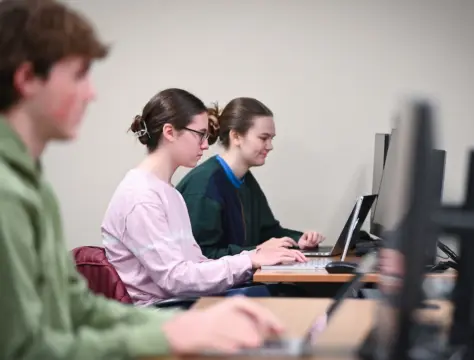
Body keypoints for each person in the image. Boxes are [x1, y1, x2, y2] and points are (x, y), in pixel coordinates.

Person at [0, 1, 287, 358]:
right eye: (78, 75)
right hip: (165, 304)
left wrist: (181, 328)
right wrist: (171, 334)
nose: (92, 93)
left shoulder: (34, 186)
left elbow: (81, 309)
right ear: (27, 79)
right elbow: (28, 348)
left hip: (171, 309)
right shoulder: (10, 193)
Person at [101, 88, 306, 305]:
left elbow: (195, 264)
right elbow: (175, 279)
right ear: (169, 132)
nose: (206, 145)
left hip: (183, 300)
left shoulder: (167, 192)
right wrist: (249, 259)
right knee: (284, 300)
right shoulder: (141, 197)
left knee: (288, 293)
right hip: (161, 311)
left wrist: (252, 259)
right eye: (200, 134)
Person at [176, 97, 326, 259]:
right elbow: (201, 256)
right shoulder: (204, 185)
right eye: (263, 138)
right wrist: (257, 252)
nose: (270, 146)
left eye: (271, 139)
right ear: (236, 137)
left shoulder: (245, 179)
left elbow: (268, 232)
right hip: (219, 283)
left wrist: (299, 240)